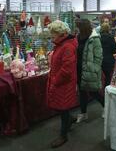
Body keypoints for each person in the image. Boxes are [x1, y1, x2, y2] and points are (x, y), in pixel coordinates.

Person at [46, 20, 78, 148]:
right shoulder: (61, 44)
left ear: (61, 34)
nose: (51, 37)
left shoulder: (67, 46)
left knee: (63, 108)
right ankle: (69, 119)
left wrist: (55, 80)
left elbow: (67, 70)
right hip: (61, 82)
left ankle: (63, 136)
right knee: (60, 107)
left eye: (53, 35)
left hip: (64, 84)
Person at [76, 19, 104, 123]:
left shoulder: (94, 38)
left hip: (90, 70)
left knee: (94, 92)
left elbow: (99, 56)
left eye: (79, 27)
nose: (77, 29)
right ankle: (83, 113)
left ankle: (106, 107)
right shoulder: (78, 37)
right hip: (79, 69)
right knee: (82, 92)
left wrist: (94, 68)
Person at [100, 23, 116, 87]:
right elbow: (115, 50)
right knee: (108, 77)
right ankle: (106, 91)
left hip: (99, 59)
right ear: (108, 29)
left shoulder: (98, 37)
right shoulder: (110, 37)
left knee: (100, 78)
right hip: (109, 60)